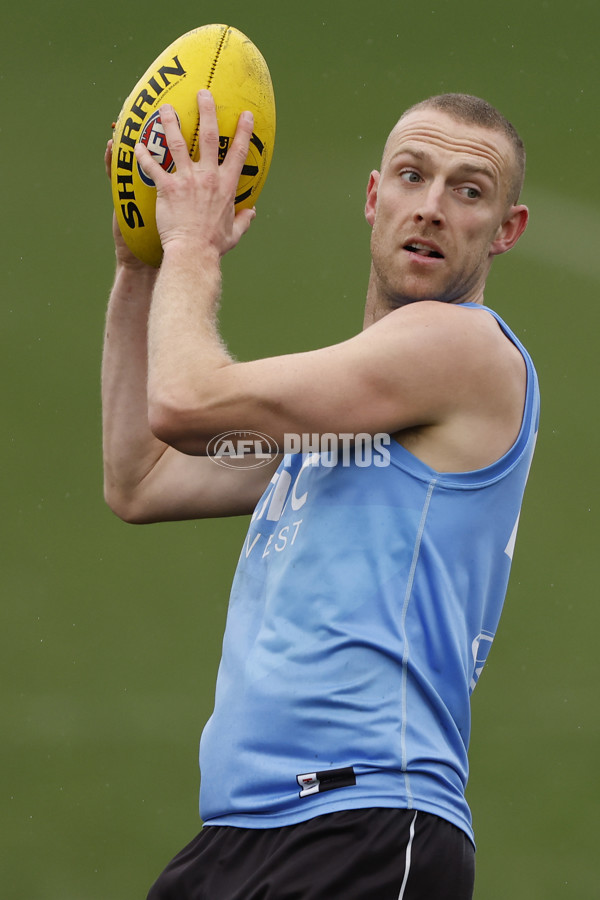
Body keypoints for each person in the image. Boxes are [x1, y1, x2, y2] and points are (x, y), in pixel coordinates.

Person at [102, 90, 539, 899]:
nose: (433, 208)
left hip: (365, 824)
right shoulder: (340, 422)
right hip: (246, 834)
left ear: (504, 231)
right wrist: (143, 266)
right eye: (413, 176)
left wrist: (193, 242)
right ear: (376, 198)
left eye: (468, 191)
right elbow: (142, 476)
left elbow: (186, 403)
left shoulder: (459, 348)